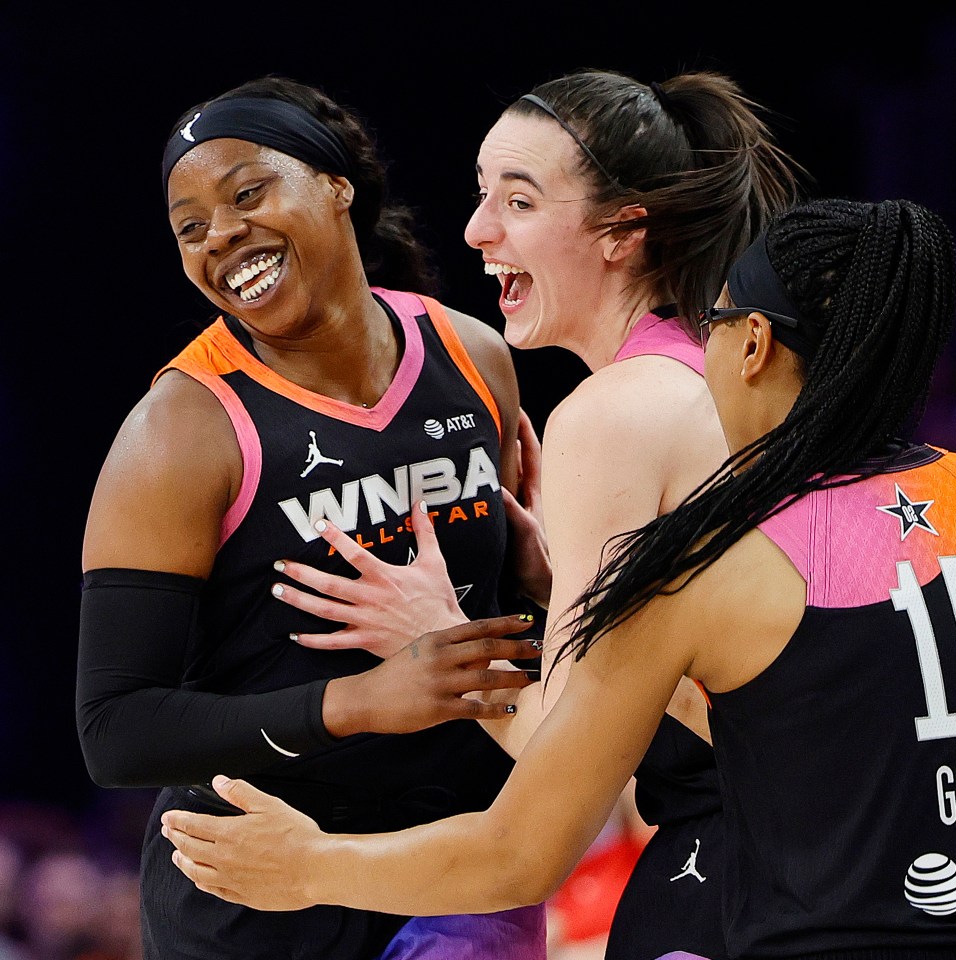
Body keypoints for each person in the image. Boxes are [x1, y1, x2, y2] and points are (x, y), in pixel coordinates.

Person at [161, 196, 956, 960]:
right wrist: (551, 575)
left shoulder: (708, 559)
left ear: (753, 345)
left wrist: (310, 866)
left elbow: (520, 854)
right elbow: (843, 706)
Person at [261, 68, 800, 960]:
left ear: (624, 230)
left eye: (518, 200)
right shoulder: (702, 369)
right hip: (814, 842)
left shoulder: (614, 410)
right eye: (482, 196)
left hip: (759, 860)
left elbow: (571, 761)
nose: (477, 230)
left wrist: (436, 633)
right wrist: (561, 581)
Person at [77, 76, 546, 960]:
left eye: (247, 192)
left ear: (337, 185)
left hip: (456, 872)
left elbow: (515, 613)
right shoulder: (180, 431)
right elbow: (116, 731)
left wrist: (554, 582)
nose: (220, 234)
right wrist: (359, 703)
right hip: (253, 898)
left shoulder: (474, 355)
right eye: (190, 227)